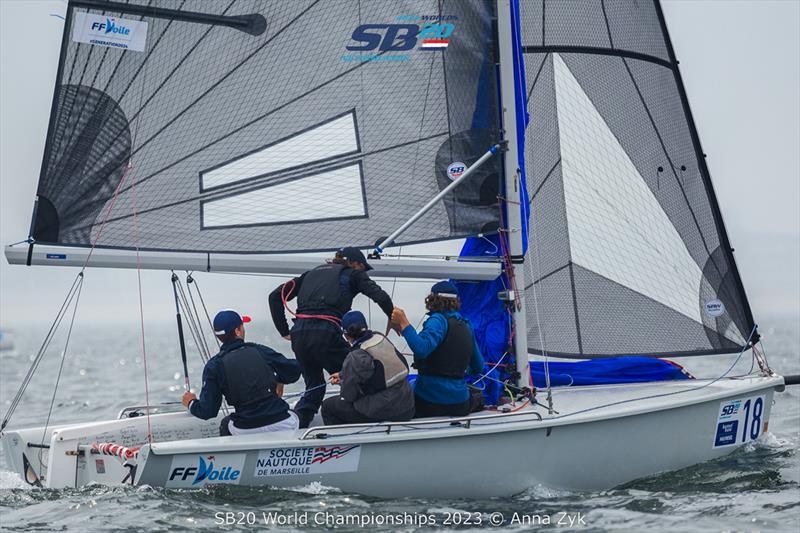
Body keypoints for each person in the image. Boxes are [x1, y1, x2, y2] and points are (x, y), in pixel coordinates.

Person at [268, 247, 394, 428]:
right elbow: (380, 296)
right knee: (357, 375)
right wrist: (393, 317)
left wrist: (285, 331)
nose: (363, 273)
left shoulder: (309, 275)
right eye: (362, 268)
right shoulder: (353, 274)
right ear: (355, 263)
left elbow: (275, 297)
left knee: (314, 386)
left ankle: (297, 429)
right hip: (326, 333)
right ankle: (363, 425)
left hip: (300, 336)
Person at [182, 309, 302, 436]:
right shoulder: (260, 350)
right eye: (242, 326)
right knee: (301, 411)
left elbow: (208, 411)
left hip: (244, 429)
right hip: (282, 422)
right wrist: (280, 379)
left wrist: (191, 402)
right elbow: (294, 371)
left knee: (226, 423)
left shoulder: (214, 366)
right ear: (237, 331)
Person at [390, 281, 484, 418]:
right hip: (460, 403)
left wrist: (404, 323)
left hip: (429, 402)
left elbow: (421, 349)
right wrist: (456, 374)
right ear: (456, 301)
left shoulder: (438, 321)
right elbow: (478, 367)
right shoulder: (467, 325)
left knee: (408, 387)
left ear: (433, 299)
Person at [321, 311, 414, 425]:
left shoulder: (355, 356)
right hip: (407, 406)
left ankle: (348, 442)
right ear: (365, 327)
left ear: (345, 335)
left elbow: (349, 396)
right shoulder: (380, 338)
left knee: (327, 406)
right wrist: (342, 375)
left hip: (385, 410)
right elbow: (381, 370)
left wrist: (343, 382)